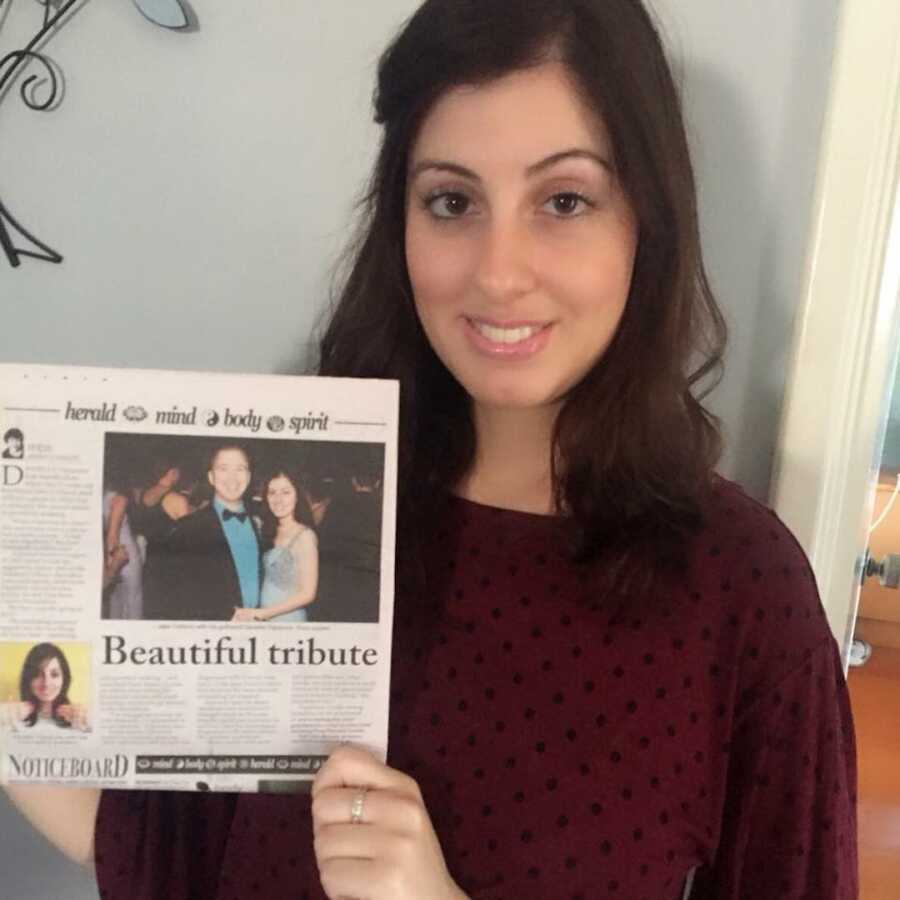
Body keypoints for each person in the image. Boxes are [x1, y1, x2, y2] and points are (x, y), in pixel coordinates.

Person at [5, 2, 859, 898]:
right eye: (452, 201)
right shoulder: (311, 491)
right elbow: (163, 854)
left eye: (563, 200)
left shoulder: (743, 594)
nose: (497, 270)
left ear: (646, 219)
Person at [151, 444, 262, 620]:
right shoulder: (188, 530)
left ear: (248, 476)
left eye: (240, 469)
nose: (232, 477)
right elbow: (176, 597)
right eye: (223, 469)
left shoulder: (261, 523)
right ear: (211, 477)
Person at [232, 467, 318, 622]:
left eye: (286, 492)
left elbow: (308, 594)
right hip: (263, 617)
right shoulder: (266, 529)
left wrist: (264, 613)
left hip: (288, 620)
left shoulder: (305, 536)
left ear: (297, 496)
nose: (278, 499)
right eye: (272, 493)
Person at [1, 643, 89, 733]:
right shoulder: (13, 720)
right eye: (37, 674)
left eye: (54, 674)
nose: (46, 683)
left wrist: (89, 720)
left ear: (64, 679)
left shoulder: (81, 719)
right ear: (28, 678)